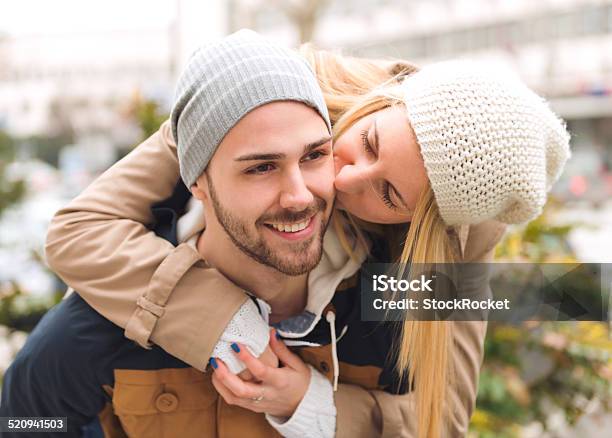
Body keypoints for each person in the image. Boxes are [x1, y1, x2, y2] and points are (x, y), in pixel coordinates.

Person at [1, 30, 570, 438]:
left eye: (389, 194)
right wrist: (224, 325)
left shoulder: (445, 253)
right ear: (376, 104)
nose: (339, 182)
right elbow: (80, 231)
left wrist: (314, 406)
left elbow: (439, 423)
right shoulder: (261, 92)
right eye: (363, 143)